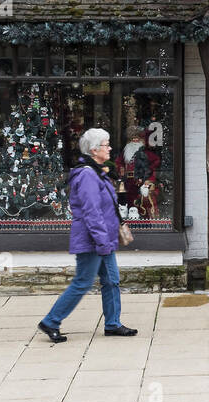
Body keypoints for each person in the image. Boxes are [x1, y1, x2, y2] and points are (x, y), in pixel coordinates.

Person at [37, 128, 137, 343]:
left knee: (112, 281)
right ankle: (51, 321)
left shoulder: (97, 172)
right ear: (94, 149)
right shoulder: (87, 175)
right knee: (83, 282)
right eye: (106, 144)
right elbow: (92, 213)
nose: (110, 148)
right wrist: (102, 242)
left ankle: (112, 324)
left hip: (104, 239)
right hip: (93, 240)